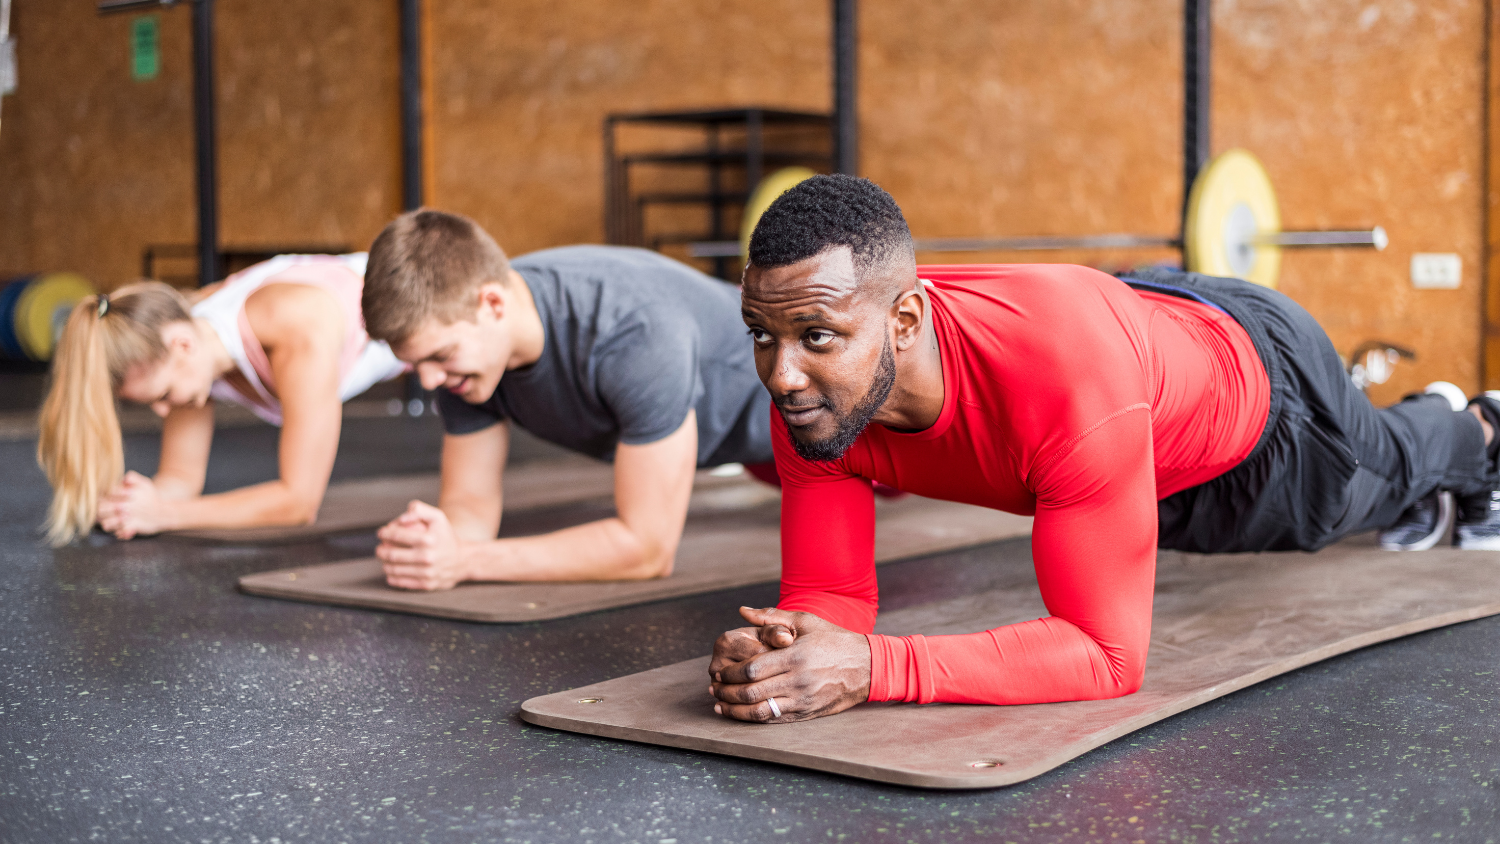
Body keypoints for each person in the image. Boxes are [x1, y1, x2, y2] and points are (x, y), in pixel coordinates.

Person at [706, 174, 1500, 724]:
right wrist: (784, 654)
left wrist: (877, 670)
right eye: (761, 337)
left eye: (815, 337)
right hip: (1135, 358)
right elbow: (831, 595)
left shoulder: (1060, 383)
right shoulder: (815, 393)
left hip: (1262, 400)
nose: (781, 374)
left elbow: (1106, 656)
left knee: (1370, 484)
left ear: (906, 322)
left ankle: (1473, 429)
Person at [360, 209, 779, 589]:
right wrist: (435, 543)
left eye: (440, 356)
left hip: (818, 437)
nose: (430, 381)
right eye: (416, 365)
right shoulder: (464, 359)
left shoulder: (633, 332)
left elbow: (647, 548)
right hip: (749, 449)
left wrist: (467, 561)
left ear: (492, 304)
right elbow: (470, 508)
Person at [37, 253, 407, 545]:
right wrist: (134, 503)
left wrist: (164, 515)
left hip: (413, 288)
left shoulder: (298, 331)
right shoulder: (183, 338)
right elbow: (180, 478)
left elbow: (298, 502)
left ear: (182, 345)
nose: (164, 410)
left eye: (164, 395)